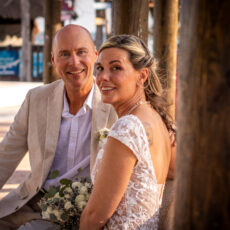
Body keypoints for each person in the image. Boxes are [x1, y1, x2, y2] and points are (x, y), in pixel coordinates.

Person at [0, 24, 117, 229]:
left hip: (85, 209)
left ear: (95, 55)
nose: (74, 62)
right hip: (33, 202)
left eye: (81, 52)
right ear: (54, 60)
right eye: (64, 54)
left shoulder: (114, 105)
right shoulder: (36, 99)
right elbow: (5, 156)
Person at [80, 35, 175, 229]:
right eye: (100, 68)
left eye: (116, 68)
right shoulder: (158, 119)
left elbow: (96, 214)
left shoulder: (128, 127)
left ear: (142, 76)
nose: (103, 77)